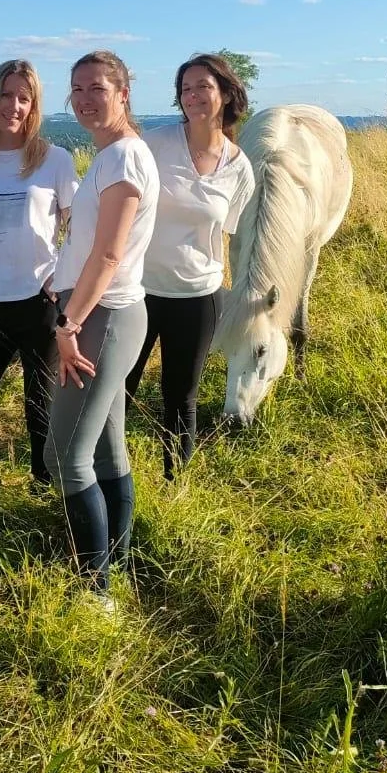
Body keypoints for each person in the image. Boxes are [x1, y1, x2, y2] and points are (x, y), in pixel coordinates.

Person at [44, 51, 159, 602]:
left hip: (101, 317)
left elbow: (109, 255)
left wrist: (68, 323)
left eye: (97, 88)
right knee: (108, 449)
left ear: (124, 94)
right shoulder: (116, 155)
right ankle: (118, 561)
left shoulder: (122, 160)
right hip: (105, 313)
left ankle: (96, 592)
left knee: (64, 457)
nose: (85, 99)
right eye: (76, 90)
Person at [0, 60, 77, 488]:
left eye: (25, 97)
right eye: (7, 95)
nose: (15, 105)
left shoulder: (54, 160)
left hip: (38, 302)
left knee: (40, 410)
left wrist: (60, 278)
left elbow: (79, 226)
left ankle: (45, 490)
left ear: (35, 105)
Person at [126, 53, 254, 477]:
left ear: (226, 94)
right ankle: (106, 474)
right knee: (118, 388)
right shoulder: (155, 144)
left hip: (198, 296)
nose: (193, 95)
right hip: (138, 290)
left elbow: (223, 233)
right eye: (185, 88)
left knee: (181, 397)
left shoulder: (239, 168)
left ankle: (174, 484)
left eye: (203, 86)